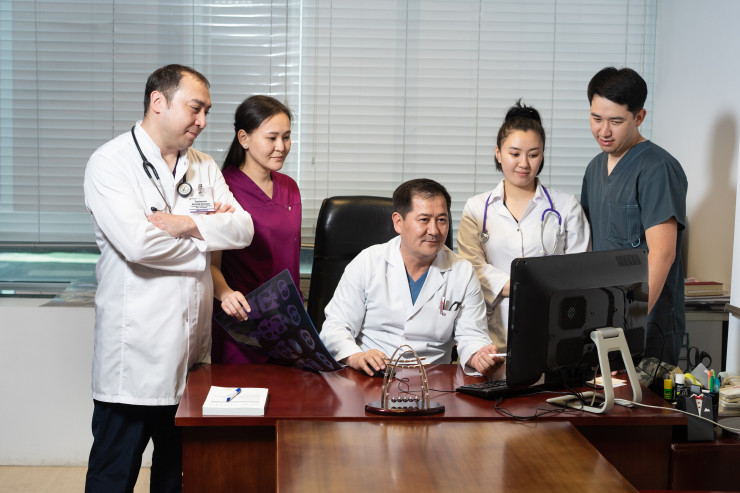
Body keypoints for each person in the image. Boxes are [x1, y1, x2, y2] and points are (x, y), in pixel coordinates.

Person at [83, 64, 254, 492]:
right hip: (134, 363)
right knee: (112, 479)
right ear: (158, 102)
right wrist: (207, 243)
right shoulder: (110, 163)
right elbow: (139, 245)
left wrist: (185, 224)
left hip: (191, 359)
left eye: (207, 111)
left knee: (177, 479)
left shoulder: (204, 165)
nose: (203, 121)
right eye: (195, 109)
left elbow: (244, 229)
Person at [320, 178, 502, 377]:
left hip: (433, 381)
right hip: (372, 376)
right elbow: (335, 328)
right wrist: (356, 357)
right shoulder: (367, 262)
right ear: (399, 222)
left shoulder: (463, 272)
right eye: (424, 220)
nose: (434, 231)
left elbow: (472, 336)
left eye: (442, 220)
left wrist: (478, 356)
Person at [457, 100, 591, 348]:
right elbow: (471, 268)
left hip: (553, 328)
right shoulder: (476, 208)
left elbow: (579, 270)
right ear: (498, 153)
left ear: (542, 155)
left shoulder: (566, 206)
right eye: (514, 154)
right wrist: (527, 289)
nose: (524, 164)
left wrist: (533, 290)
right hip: (492, 334)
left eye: (533, 154)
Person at [580, 67, 688, 365]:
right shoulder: (594, 169)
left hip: (645, 325)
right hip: (603, 322)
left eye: (615, 121)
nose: (604, 131)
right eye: (596, 119)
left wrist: (628, 321)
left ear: (639, 117)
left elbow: (663, 254)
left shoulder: (656, 167)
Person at [210, 95, 301, 363]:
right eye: (271, 138)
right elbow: (210, 265)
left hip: (287, 324)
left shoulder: (289, 187)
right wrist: (226, 295)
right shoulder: (224, 190)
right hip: (242, 325)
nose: (281, 147)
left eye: (286, 137)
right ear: (244, 139)